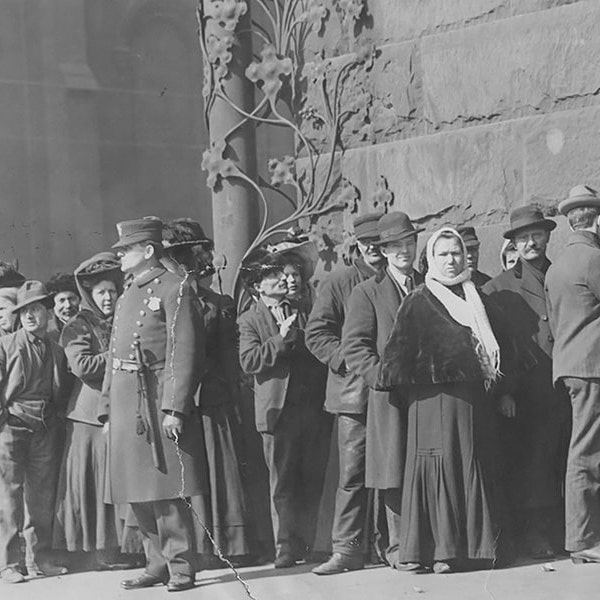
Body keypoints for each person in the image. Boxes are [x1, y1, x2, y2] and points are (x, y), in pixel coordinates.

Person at [379, 227, 524, 573]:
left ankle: (477, 548)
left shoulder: (480, 299)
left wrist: (505, 391)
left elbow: (506, 350)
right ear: (430, 258)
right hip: (430, 406)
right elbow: (395, 360)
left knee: (471, 464)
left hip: (474, 404)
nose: (450, 260)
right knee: (439, 467)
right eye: (443, 254)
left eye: (455, 253)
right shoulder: (417, 300)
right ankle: (440, 551)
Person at [99, 218, 208, 592]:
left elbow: (185, 351)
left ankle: (181, 566)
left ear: (147, 251)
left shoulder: (175, 289)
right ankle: (156, 562)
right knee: (136, 488)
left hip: (157, 395)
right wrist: (106, 409)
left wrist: (174, 406)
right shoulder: (129, 292)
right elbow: (115, 353)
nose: (120, 256)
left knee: (164, 488)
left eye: (125, 250)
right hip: (127, 399)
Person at [483, 207, 570, 559]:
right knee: (532, 463)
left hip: (563, 385)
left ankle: (566, 531)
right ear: (513, 245)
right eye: (522, 238)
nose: (530, 242)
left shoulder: (561, 274)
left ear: (548, 236)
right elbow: (493, 347)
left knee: (561, 459)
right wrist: (505, 390)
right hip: (526, 391)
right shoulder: (497, 288)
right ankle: (534, 535)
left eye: (536, 235)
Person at [161, 219, 251, 560]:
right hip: (176, 398)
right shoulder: (163, 299)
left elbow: (228, 355)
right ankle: (190, 545)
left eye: (185, 259)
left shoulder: (217, 304)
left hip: (211, 397)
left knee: (218, 467)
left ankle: (227, 545)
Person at [238, 254, 332, 569]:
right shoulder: (250, 319)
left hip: (309, 408)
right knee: (282, 483)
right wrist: (281, 339)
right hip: (277, 413)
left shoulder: (303, 310)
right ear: (256, 288)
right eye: (272, 276)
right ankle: (285, 548)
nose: (282, 279)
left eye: (282, 274)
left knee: (310, 477)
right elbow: (249, 361)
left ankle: (312, 542)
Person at [342, 211, 423, 570]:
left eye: (408, 242)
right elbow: (355, 346)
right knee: (393, 471)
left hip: (427, 395)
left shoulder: (429, 283)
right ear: (384, 251)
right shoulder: (367, 292)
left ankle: (426, 544)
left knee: (425, 467)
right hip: (389, 397)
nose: (403, 250)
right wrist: (382, 375)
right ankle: (399, 549)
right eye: (394, 245)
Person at [306, 213, 386, 575]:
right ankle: (347, 550)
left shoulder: (397, 278)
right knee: (352, 474)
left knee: (392, 469)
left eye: (380, 243)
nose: (375, 249)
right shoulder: (339, 281)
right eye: (368, 243)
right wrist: (349, 360)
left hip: (390, 390)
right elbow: (317, 333)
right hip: (353, 395)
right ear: (356, 243)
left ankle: (391, 546)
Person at [52, 252, 135, 570]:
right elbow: (83, 365)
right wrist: (118, 357)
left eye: (112, 291)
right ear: (89, 294)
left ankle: (125, 548)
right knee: (97, 485)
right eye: (100, 292)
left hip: (121, 409)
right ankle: (102, 551)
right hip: (88, 416)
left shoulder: (125, 318)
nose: (107, 297)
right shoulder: (77, 325)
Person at [0, 281, 70, 584]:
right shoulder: (6, 344)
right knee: (9, 498)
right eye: (25, 311)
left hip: (43, 428)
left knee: (40, 498)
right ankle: (9, 564)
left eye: (36, 309)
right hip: (12, 426)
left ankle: (38, 559)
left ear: (48, 311)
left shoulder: (56, 348)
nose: (30, 316)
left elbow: (60, 392)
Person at [545, 184, 600, 564]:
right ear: (597, 219)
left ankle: (583, 538)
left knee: (583, 448)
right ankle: (582, 541)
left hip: (570, 366)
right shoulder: (593, 259)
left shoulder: (558, 265)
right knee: (586, 451)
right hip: (592, 367)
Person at [46, 273, 81, 342]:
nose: (68, 305)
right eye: (62, 300)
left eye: (72, 299)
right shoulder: (46, 332)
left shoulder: (90, 324)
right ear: (53, 304)